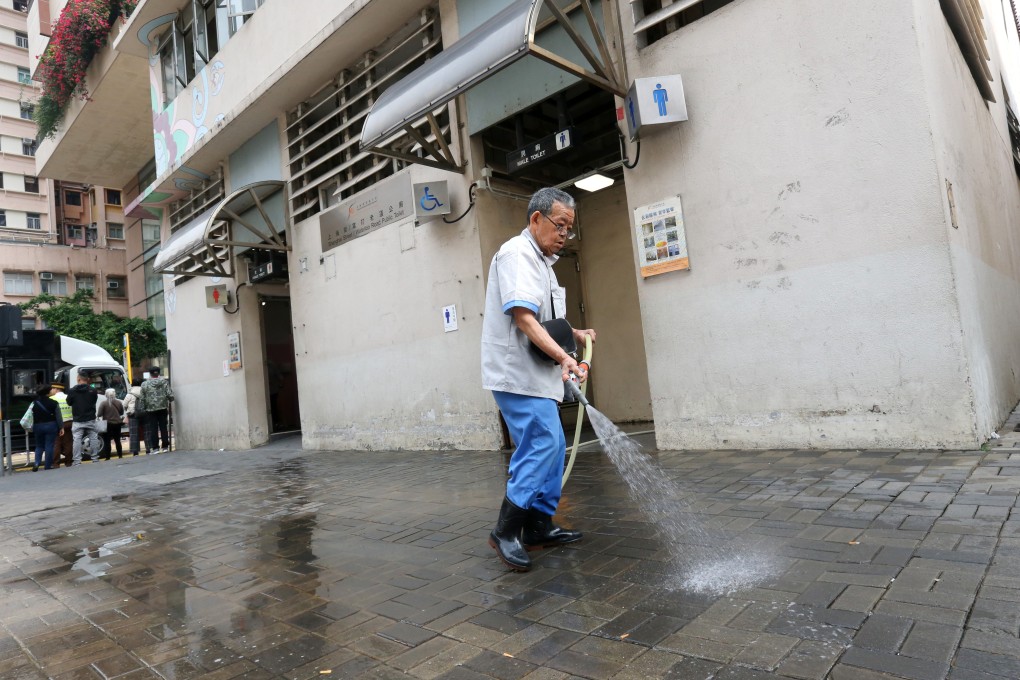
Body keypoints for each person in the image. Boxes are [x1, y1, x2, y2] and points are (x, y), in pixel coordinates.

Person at [480, 187, 596, 572]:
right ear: (536, 219)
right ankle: (506, 531)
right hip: (516, 375)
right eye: (559, 225)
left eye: (569, 228)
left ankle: (539, 526)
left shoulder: (544, 263)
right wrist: (565, 357)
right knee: (543, 442)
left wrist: (572, 334)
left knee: (552, 443)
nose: (564, 234)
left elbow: (544, 320)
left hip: (538, 375)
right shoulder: (517, 253)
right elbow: (523, 318)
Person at [66, 372, 101, 465]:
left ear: (78, 379)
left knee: (77, 439)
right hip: (90, 418)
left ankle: (77, 461)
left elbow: (69, 402)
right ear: (87, 379)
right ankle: (95, 458)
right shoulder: (93, 390)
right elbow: (94, 401)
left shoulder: (72, 391)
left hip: (78, 419)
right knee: (93, 438)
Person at [140, 366, 173, 453]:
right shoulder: (164, 382)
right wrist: (170, 399)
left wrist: (143, 408)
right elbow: (170, 394)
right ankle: (165, 446)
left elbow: (142, 398)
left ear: (150, 374)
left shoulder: (144, 384)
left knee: (153, 428)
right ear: (158, 373)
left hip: (150, 409)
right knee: (163, 427)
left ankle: (155, 448)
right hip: (162, 407)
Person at [30, 384, 63, 471]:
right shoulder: (54, 403)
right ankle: (48, 465)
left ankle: (36, 463)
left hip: (37, 426)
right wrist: (61, 427)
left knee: (39, 445)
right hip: (51, 425)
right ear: (48, 392)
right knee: (49, 445)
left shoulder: (34, 403)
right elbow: (58, 416)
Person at [50, 382, 74, 468]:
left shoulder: (52, 399)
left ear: (56, 389)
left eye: (52, 389)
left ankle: (56, 463)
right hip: (69, 422)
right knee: (68, 443)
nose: (51, 390)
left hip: (57, 424)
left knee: (57, 443)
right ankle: (68, 462)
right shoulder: (68, 397)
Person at [97, 388, 125, 459]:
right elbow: (121, 412)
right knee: (117, 440)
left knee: (107, 441)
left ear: (106, 395)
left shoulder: (103, 403)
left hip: (107, 424)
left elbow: (99, 414)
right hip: (117, 423)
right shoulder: (119, 402)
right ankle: (120, 455)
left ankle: (107, 457)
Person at [123, 377, 146, 456]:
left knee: (134, 433)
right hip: (144, 413)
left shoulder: (130, 394)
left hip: (133, 415)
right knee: (146, 432)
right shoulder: (145, 392)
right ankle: (149, 449)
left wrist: (128, 410)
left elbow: (124, 405)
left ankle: (135, 451)